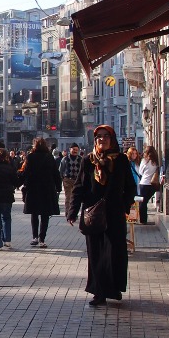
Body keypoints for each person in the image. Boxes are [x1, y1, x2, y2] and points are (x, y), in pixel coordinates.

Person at [67, 125, 137, 307]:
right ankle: (99, 292)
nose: (102, 139)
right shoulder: (88, 160)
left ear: (112, 139)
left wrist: (125, 205)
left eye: (106, 136)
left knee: (114, 253)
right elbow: (79, 187)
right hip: (94, 214)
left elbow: (130, 186)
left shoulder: (121, 160)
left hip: (114, 213)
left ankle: (113, 288)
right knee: (96, 254)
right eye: (99, 137)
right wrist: (72, 211)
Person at [20, 137, 62, 248]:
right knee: (45, 214)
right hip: (47, 189)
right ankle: (42, 239)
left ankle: (34, 237)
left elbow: (26, 172)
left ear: (35, 146)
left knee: (34, 213)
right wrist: (58, 187)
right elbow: (55, 173)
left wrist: (17, 182)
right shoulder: (49, 157)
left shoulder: (30, 157)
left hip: (33, 188)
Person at [137, 146, 160, 224]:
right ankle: (144, 219)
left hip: (144, 183)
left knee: (142, 203)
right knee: (145, 201)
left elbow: (140, 172)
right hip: (153, 185)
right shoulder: (156, 162)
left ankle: (143, 220)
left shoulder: (144, 161)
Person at [59, 143, 83, 217]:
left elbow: (83, 170)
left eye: (76, 150)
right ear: (70, 150)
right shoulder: (65, 159)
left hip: (77, 181)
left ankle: (74, 213)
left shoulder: (80, 159)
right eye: (73, 149)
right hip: (67, 180)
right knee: (68, 197)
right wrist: (62, 178)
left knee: (76, 198)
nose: (75, 151)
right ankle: (68, 213)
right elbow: (61, 169)